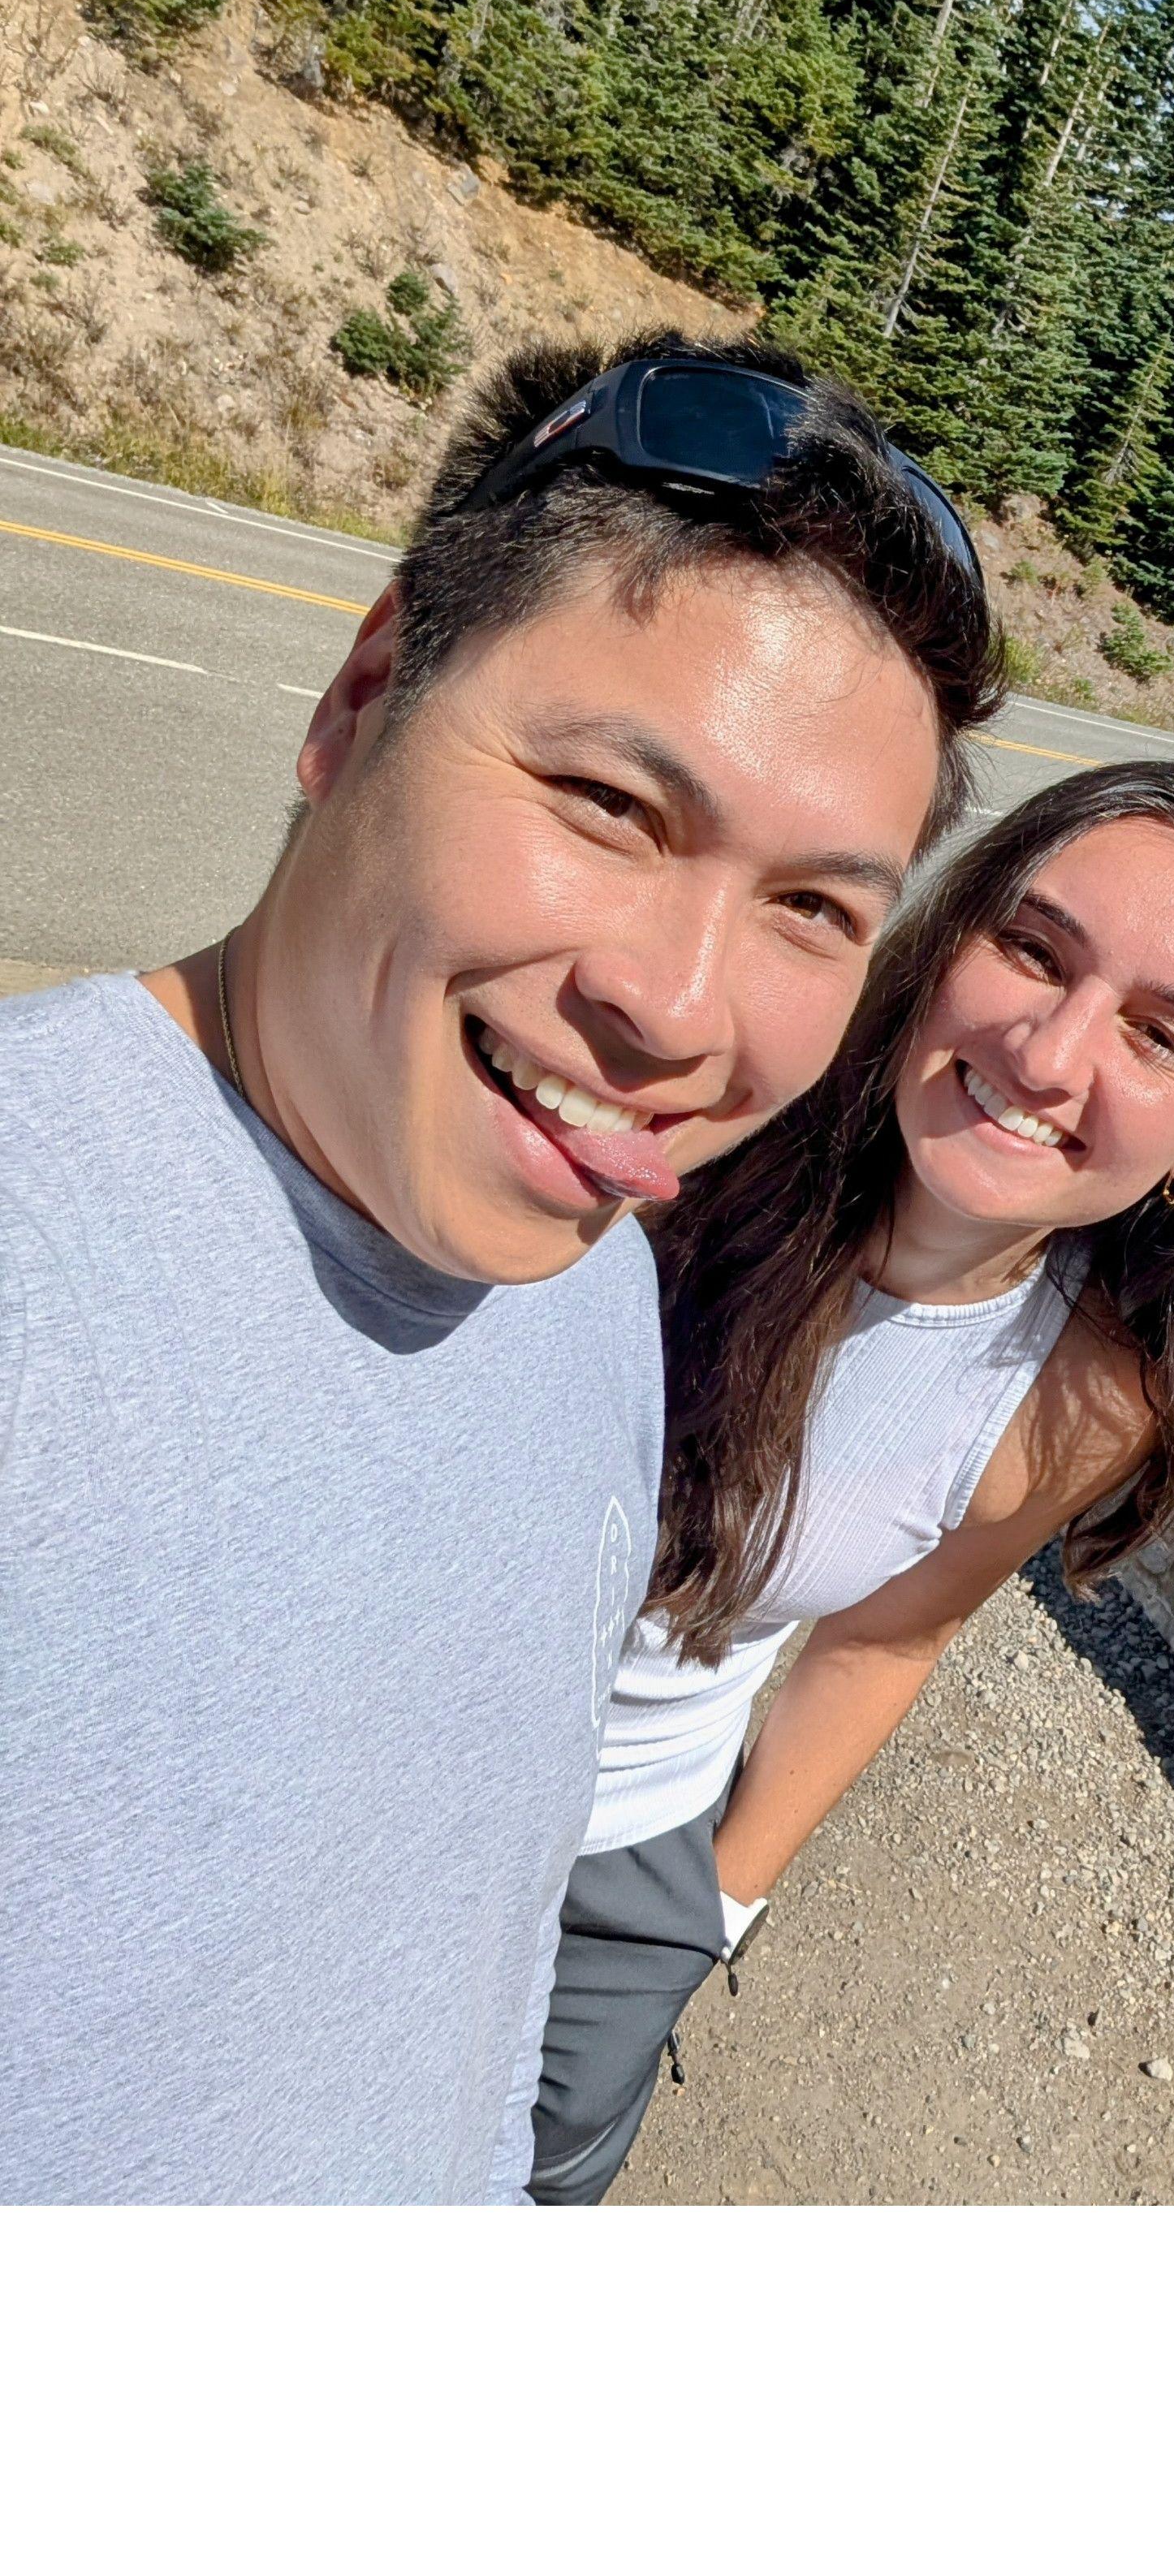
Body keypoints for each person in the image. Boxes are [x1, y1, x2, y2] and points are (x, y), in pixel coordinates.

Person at [0, 334, 999, 2203]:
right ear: (361, 694)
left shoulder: (593, 1275)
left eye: (811, 908)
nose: (679, 1011)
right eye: (612, 806)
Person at [528, 761, 1174, 2202]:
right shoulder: (685, 1114)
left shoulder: (1084, 1394)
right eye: (1033, 950)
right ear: (947, 932)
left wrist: (713, 1906)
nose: (1050, 1052)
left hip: (624, 1857)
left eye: (1158, 1036)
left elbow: (889, 1635)